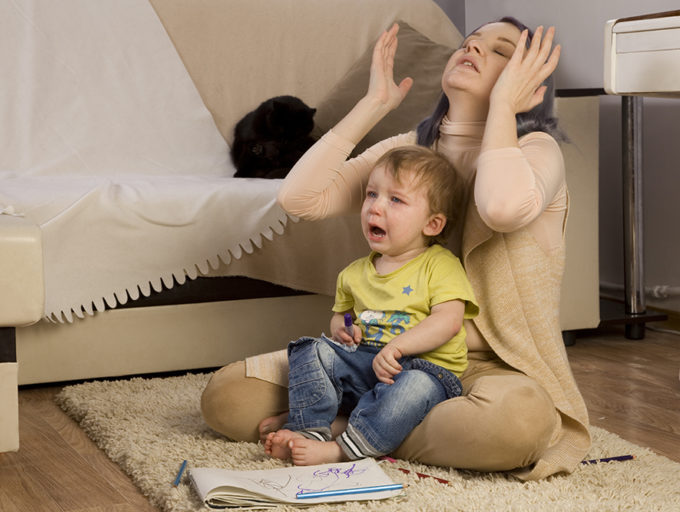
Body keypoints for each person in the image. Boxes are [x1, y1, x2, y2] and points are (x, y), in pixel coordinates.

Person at [201, 17, 591, 481]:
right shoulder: (411, 149)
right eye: (469, 42)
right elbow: (300, 199)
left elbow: (501, 207)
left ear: (531, 82)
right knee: (225, 398)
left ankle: (348, 430)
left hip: (481, 368)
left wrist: (503, 107)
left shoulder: (536, 151)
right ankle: (371, 426)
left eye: (502, 51)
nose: (475, 49)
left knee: (519, 423)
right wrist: (373, 105)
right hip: (378, 357)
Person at [264, 146, 478, 465]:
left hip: (424, 369)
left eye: (395, 199)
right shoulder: (354, 273)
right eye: (371, 195)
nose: (375, 208)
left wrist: (398, 348)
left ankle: (343, 449)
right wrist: (345, 329)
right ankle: (309, 430)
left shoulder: (439, 265)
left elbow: (448, 321)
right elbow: (344, 314)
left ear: (432, 225)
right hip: (365, 362)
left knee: (414, 387)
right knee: (309, 349)